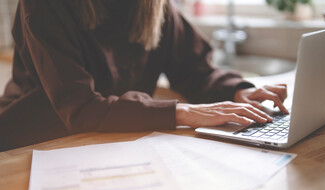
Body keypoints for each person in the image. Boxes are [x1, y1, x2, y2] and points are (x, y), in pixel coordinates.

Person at [0, 0, 288, 151]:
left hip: (111, 140)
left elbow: (193, 69)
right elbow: (81, 108)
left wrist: (238, 90)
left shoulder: (154, 5)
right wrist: (184, 113)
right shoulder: (43, 5)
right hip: (34, 141)